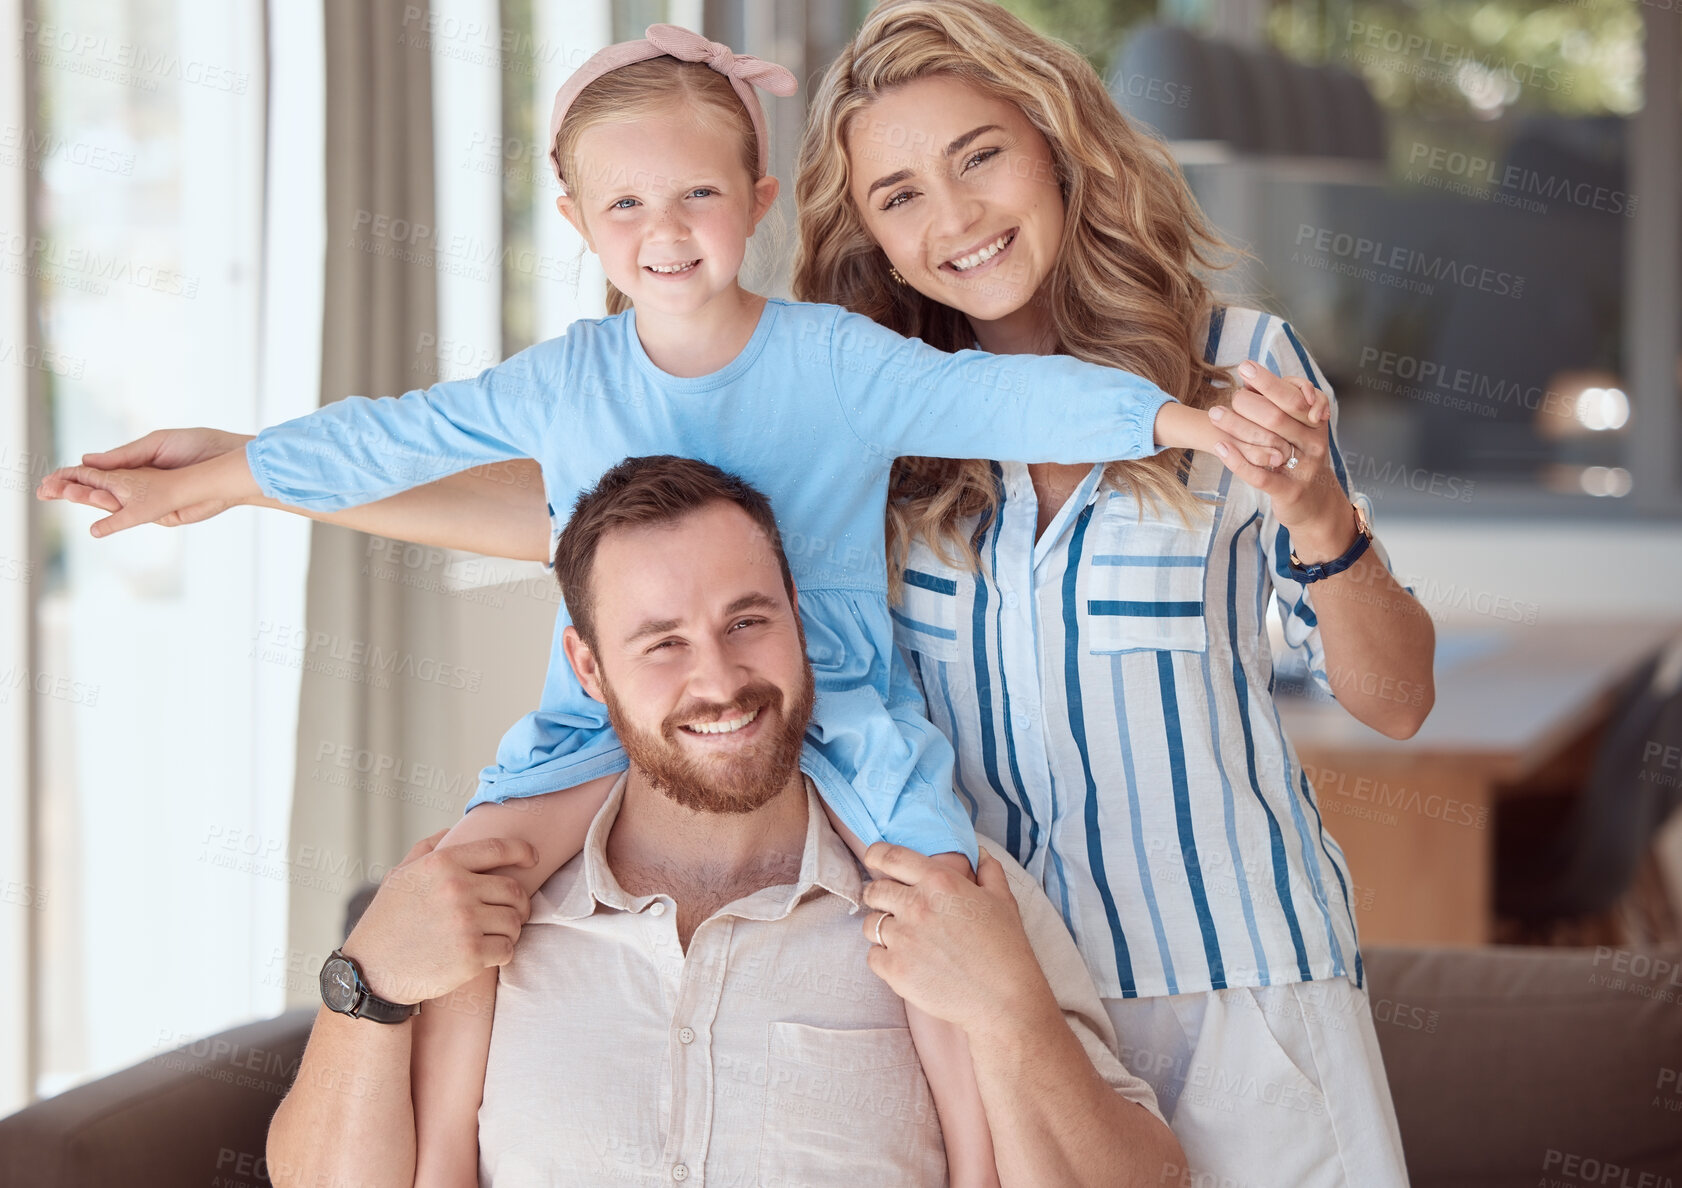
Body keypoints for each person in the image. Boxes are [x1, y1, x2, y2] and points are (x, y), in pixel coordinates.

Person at [32, 24, 1295, 1187]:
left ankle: (977, 1153)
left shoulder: (834, 360)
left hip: (834, 700)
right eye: (626, 202)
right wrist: (219, 477)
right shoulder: (564, 382)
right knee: (461, 873)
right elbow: (392, 439)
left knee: (941, 908)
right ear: (577, 220)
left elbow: (1010, 405)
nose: (667, 229)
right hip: (606, 722)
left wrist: (1175, 417)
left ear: (754, 204)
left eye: (698, 194)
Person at [787, 1, 1437, 1183]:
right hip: (1015, 1010)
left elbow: (1393, 700)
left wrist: (1320, 521)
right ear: (870, 239)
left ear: (1052, 140)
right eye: (898, 196)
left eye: (977, 155)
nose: (956, 219)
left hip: (1247, 989)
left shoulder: (1236, 363)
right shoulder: (872, 428)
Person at [263, 455, 1185, 1188]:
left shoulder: (959, 897)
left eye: (748, 621)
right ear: (589, 670)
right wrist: (366, 980)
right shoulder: (471, 908)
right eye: (662, 642)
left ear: (798, 619)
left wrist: (1011, 1013)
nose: (718, 680)